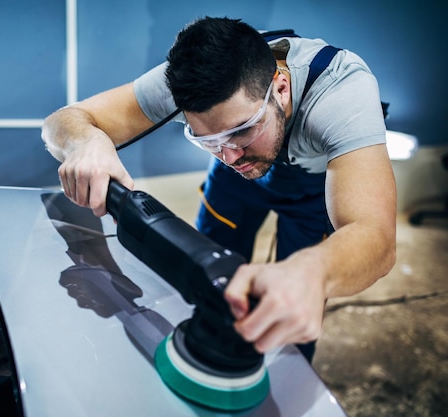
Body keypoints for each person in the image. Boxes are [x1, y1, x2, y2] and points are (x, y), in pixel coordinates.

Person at [41, 17, 396, 361]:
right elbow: (63, 120)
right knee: (204, 273)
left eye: (242, 130)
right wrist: (86, 142)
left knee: (293, 303)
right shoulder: (185, 87)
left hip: (311, 190)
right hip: (233, 189)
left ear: (282, 89)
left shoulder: (341, 91)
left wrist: (314, 273)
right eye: (208, 140)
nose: (229, 155)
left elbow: (374, 235)